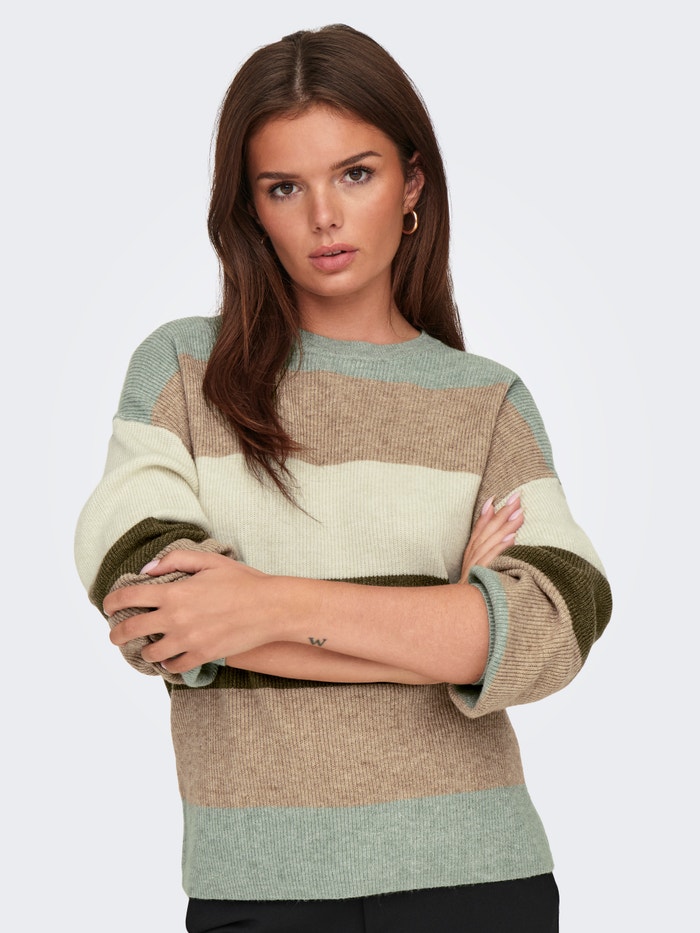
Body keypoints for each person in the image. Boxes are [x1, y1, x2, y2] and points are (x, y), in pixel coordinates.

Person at [75, 23, 612, 933]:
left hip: (480, 877)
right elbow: (157, 615)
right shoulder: (180, 372)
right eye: (284, 187)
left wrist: (263, 604)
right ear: (251, 208)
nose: (323, 216)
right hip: (258, 886)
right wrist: (445, 619)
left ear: (412, 184)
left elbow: (556, 626)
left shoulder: (486, 401)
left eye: (355, 174)